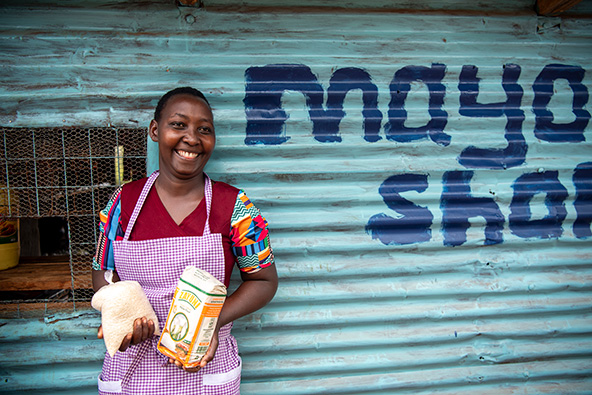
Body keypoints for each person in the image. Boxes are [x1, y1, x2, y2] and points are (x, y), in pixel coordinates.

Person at [91, 86, 278, 394]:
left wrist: (213, 321)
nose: (192, 138)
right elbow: (102, 272)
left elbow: (264, 281)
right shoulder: (122, 203)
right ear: (155, 130)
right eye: (178, 124)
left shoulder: (235, 207)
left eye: (204, 129)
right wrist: (123, 314)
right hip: (132, 367)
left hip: (206, 362)